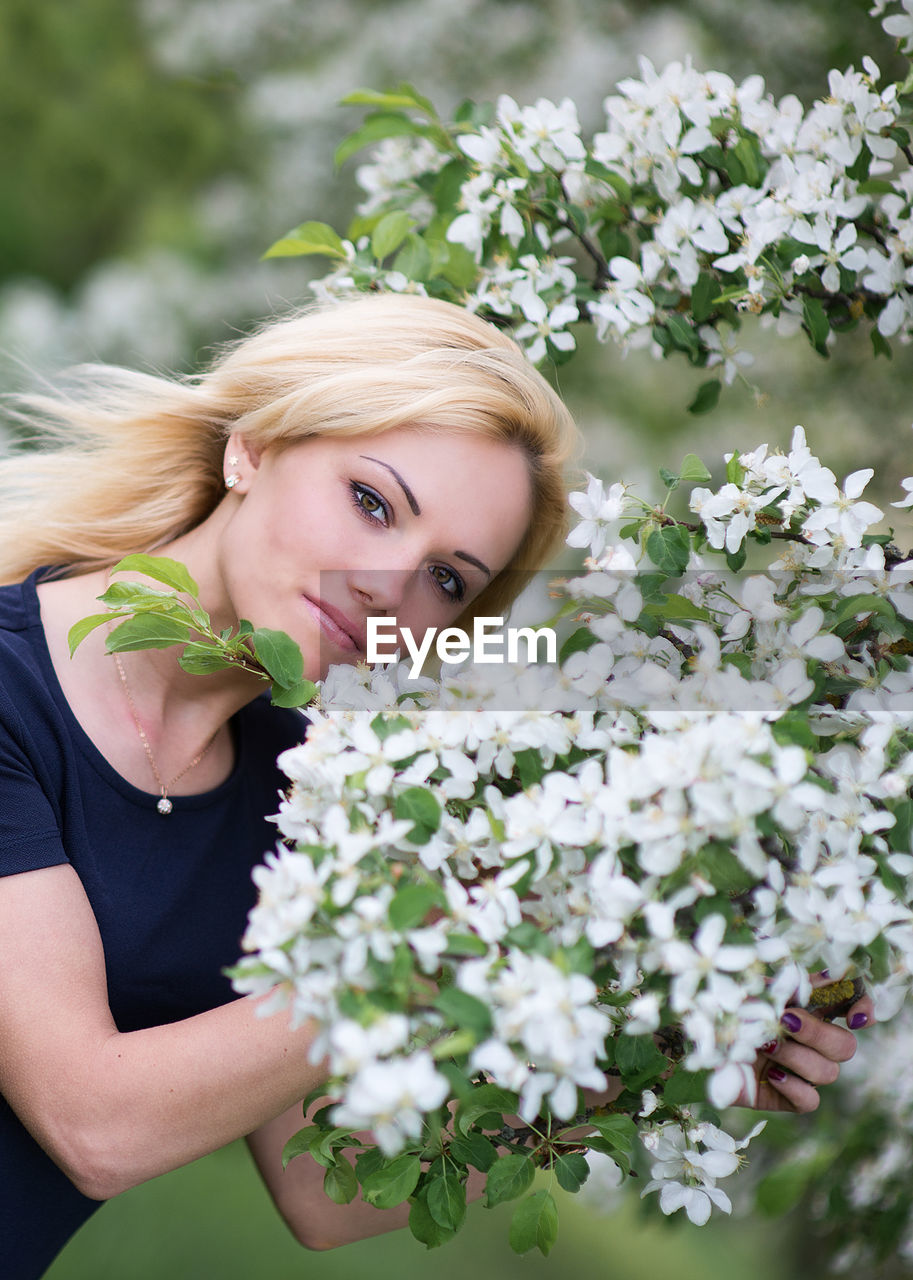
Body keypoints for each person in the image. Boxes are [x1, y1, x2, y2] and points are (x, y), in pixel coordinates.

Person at [0, 293, 871, 1278]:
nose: (389, 583)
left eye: (448, 579)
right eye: (372, 500)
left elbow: (329, 1185)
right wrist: (445, 934)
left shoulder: (313, 782)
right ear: (251, 447)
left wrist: (665, 1043)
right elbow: (94, 1123)